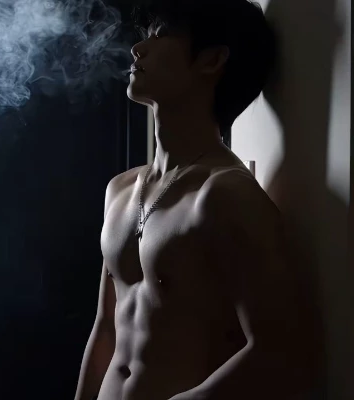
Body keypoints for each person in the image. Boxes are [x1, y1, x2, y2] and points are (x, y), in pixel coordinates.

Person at [74, 1, 319, 399]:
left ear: (212, 60)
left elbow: (280, 351)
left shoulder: (225, 194)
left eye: (160, 36)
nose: (138, 48)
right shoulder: (119, 189)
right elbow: (105, 330)